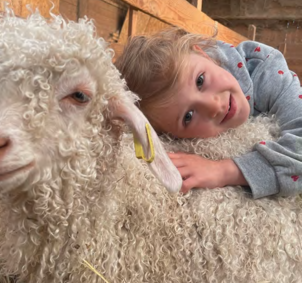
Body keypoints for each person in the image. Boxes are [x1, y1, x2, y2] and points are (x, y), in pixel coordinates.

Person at [114, 28, 302, 198]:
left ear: (204, 54)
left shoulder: (267, 71)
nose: (213, 106)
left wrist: (224, 171)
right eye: (188, 116)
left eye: (200, 81)